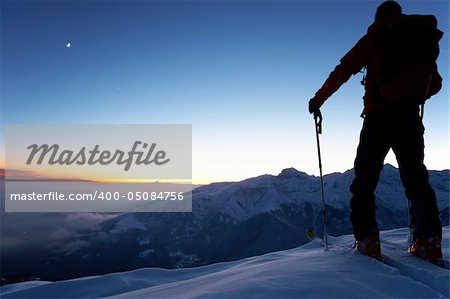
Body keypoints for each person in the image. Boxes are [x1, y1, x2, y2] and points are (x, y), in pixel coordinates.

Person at [308, 1, 443, 263]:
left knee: (365, 181)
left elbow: (343, 69)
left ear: (379, 17)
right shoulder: (418, 40)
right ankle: (428, 243)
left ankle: (368, 242)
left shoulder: (375, 37)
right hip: (410, 118)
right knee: (416, 181)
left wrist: (318, 100)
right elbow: (435, 84)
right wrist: (412, 93)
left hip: (378, 118)